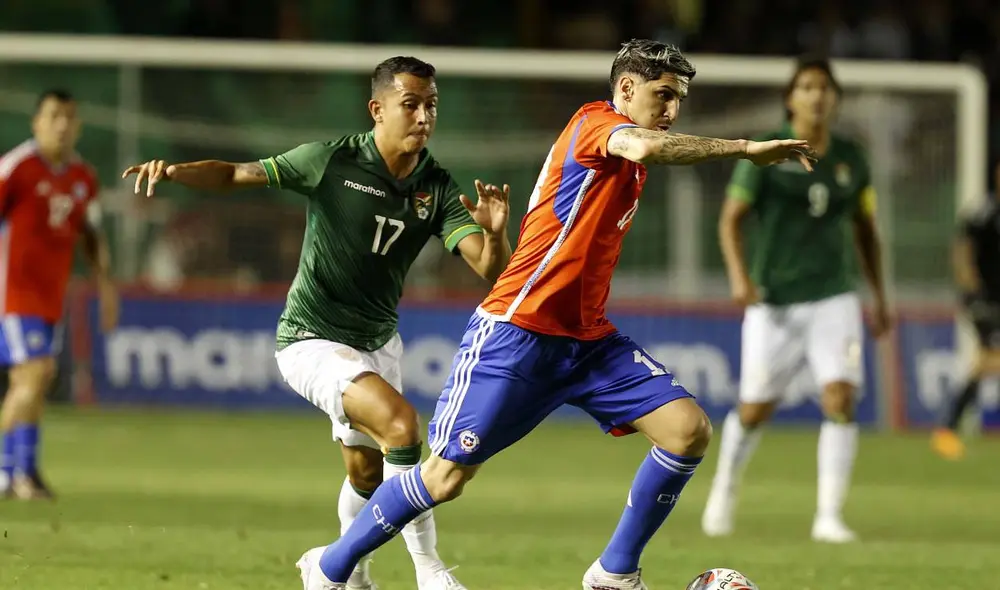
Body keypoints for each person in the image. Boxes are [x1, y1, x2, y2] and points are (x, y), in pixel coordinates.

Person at [296, 39, 815, 590]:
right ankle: (328, 568)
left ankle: (614, 573)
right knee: (445, 477)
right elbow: (641, 146)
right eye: (663, 95)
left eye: (679, 99)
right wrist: (743, 148)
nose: (671, 110)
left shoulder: (629, 150)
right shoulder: (597, 123)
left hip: (587, 340)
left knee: (687, 430)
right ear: (626, 89)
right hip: (516, 334)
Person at [123, 56, 512, 590]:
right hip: (311, 338)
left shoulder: (436, 188)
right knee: (401, 428)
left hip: (378, 343)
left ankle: (340, 569)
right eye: (411, 104)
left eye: (432, 106)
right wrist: (174, 172)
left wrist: (493, 234)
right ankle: (430, 571)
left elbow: (490, 270)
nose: (424, 117)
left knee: (367, 473)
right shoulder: (331, 161)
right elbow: (240, 174)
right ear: (377, 109)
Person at [702, 56, 891, 544]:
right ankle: (724, 488)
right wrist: (739, 279)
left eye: (824, 87)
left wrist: (880, 296)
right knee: (754, 408)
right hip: (775, 300)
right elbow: (730, 219)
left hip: (835, 296)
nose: (817, 95)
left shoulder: (853, 157)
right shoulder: (769, 152)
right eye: (806, 86)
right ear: (791, 98)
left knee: (841, 397)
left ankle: (828, 515)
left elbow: (867, 231)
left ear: (835, 98)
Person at [0, 89, 119, 500]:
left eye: (69, 117)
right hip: (12, 293)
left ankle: (21, 472)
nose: (62, 125)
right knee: (36, 374)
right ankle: (10, 471)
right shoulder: (16, 168)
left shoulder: (83, 178)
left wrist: (105, 285)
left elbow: (91, 235)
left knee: (28, 379)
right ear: (36, 123)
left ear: (79, 125)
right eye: (53, 116)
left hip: (51, 296)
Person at [932, 161, 1000, 460]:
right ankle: (947, 428)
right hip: (986, 300)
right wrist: (972, 291)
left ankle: (947, 428)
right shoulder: (983, 212)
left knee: (985, 362)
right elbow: (962, 252)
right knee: (990, 360)